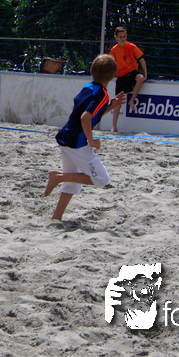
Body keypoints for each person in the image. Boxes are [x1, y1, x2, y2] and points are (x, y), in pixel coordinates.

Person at [43, 53, 126, 222]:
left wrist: (110, 107)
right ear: (113, 76)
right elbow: (85, 118)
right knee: (102, 179)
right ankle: (57, 177)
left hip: (66, 137)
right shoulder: (102, 94)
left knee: (73, 181)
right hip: (77, 143)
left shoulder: (88, 87)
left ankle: (56, 218)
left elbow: (89, 114)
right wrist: (92, 140)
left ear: (92, 71)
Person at [109, 26, 147, 132]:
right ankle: (114, 126)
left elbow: (142, 60)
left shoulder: (132, 46)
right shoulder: (114, 50)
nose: (123, 39)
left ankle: (131, 100)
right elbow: (111, 64)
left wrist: (145, 74)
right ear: (116, 38)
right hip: (121, 76)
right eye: (120, 37)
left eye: (124, 36)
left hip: (132, 72)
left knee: (140, 78)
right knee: (117, 102)